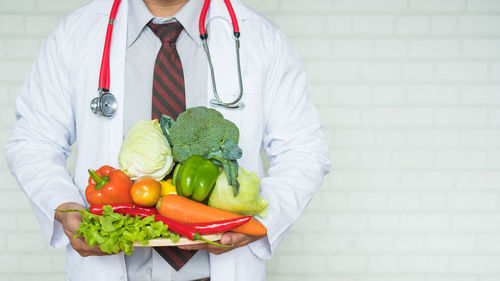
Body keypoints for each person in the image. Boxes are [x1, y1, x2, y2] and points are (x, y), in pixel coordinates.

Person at [5, 0, 330, 280]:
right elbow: (34, 141)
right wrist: (63, 204)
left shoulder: (260, 38)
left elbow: (303, 150)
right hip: (110, 270)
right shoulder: (75, 35)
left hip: (217, 271)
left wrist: (258, 223)